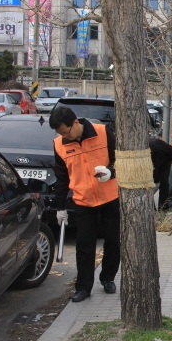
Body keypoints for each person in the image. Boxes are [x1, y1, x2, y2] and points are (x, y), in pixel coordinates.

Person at [50, 107, 120, 303]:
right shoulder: (59, 145)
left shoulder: (103, 132)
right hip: (83, 200)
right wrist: (60, 207)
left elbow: (118, 159)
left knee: (113, 241)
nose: (64, 136)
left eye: (66, 131)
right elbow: (62, 179)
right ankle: (83, 287)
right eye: (60, 134)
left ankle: (108, 278)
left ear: (75, 123)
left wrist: (110, 172)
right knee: (84, 245)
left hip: (110, 197)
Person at [149, 137, 172, 210]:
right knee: (163, 184)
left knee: (163, 184)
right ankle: (161, 207)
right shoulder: (147, 148)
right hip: (152, 163)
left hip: (164, 162)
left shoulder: (163, 147)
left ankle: (161, 207)